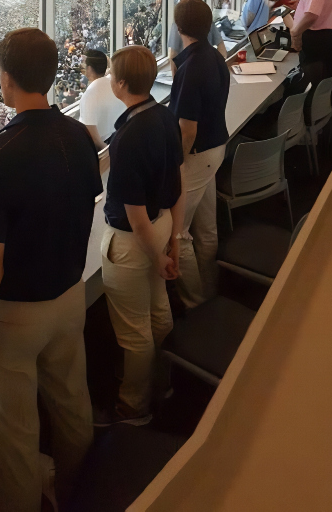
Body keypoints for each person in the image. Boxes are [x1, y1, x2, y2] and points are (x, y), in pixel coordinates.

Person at [0, 28, 99, 511]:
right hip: (69, 297)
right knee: (73, 408)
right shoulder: (80, 136)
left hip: (17, 316)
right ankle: (75, 491)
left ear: (8, 79)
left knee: (17, 440)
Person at [94, 46, 184, 427]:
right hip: (162, 227)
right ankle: (162, 383)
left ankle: (134, 406)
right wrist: (174, 240)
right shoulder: (165, 117)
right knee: (158, 313)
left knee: (134, 333)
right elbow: (177, 186)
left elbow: (133, 216)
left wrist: (158, 254)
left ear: (122, 83)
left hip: (135, 242)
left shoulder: (128, 138)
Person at [167, 0, 231, 309]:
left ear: (178, 28)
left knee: (178, 233)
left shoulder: (189, 68)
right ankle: (211, 287)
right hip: (216, 149)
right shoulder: (215, 57)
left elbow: (187, 128)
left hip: (197, 156)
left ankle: (195, 303)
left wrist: (175, 162)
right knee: (206, 228)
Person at [77, 48, 127, 149]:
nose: (82, 66)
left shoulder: (90, 95)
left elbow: (93, 137)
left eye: (84, 63)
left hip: (104, 146)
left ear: (89, 68)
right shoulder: (114, 82)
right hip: (119, 137)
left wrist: (109, 154)